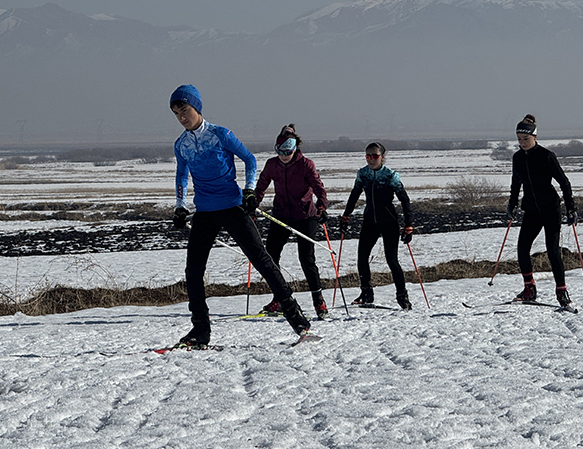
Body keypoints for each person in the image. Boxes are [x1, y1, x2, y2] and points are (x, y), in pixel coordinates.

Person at [169, 84, 310, 346]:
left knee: (261, 260)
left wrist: (248, 192)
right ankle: (200, 330)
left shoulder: (220, 134)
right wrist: (180, 205)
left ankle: (297, 318)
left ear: (196, 107)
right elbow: (181, 174)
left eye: (185, 110)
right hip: (205, 210)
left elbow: (249, 159)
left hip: (232, 206)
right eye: (176, 113)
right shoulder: (181, 144)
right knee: (193, 271)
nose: (181, 117)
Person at [254, 124, 330, 319]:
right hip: (280, 215)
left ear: (295, 149)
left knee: (306, 259)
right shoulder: (272, 164)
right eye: (279, 151)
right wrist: (252, 204)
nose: (283, 155)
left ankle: (318, 300)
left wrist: (322, 206)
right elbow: (261, 185)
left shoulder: (306, 164)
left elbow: (319, 188)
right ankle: (280, 297)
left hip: (305, 216)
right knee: (270, 257)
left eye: (287, 151)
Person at [507, 114, 577, 308]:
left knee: (553, 251)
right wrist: (511, 205)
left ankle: (561, 292)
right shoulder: (518, 158)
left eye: (526, 139)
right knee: (522, 249)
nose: (522, 143)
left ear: (535, 137)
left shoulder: (546, 156)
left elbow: (564, 182)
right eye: (519, 139)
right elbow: (515, 184)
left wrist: (571, 208)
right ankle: (529, 289)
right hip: (531, 210)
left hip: (550, 210)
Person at [340, 142, 415, 310]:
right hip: (370, 221)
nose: (371, 159)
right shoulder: (363, 174)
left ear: (382, 156)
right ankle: (366, 293)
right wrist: (346, 215)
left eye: (375, 156)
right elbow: (354, 195)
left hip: (389, 222)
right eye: (368, 156)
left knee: (392, 260)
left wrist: (409, 225)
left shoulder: (391, 175)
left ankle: (402, 297)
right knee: (361, 258)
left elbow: (404, 200)